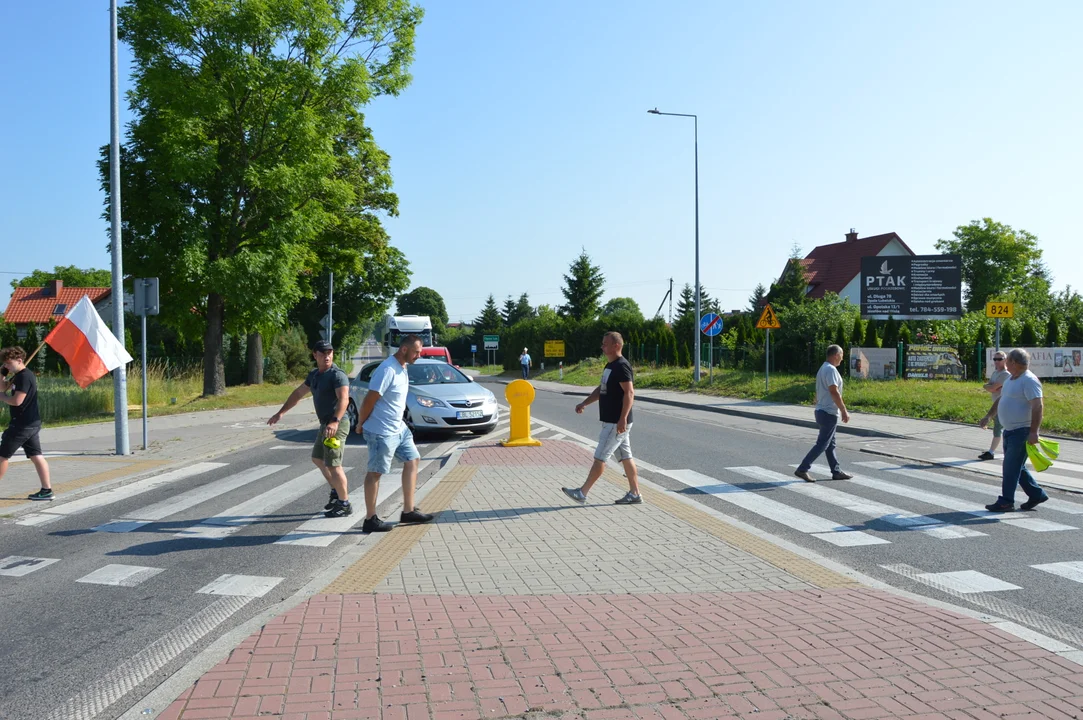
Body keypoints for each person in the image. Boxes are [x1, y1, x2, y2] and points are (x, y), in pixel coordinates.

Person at [354, 335, 435, 532]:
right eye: (416, 352)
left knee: (413, 460)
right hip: (382, 431)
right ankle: (370, 519)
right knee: (375, 472)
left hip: (399, 428)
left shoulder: (403, 367)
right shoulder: (387, 370)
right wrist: (360, 423)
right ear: (404, 349)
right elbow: (369, 400)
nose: (419, 356)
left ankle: (408, 511)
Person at [268, 340, 353, 517]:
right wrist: (281, 413)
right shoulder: (315, 375)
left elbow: (344, 399)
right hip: (325, 424)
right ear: (315, 355)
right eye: (322, 353)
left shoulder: (337, 375)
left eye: (329, 352)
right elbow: (298, 393)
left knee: (334, 464)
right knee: (317, 458)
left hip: (336, 425)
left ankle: (344, 504)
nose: (327, 356)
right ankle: (336, 491)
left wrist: (335, 421)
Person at [561, 332, 642, 505]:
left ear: (616, 346)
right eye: (602, 343)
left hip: (616, 422)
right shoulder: (610, 366)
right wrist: (584, 403)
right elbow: (602, 389)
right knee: (625, 457)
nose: (602, 347)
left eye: (605, 344)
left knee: (600, 457)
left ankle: (582, 493)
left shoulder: (622, 366)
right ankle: (635, 494)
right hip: (615, 421)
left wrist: (623, 418)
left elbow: (629, 393)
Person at [980, 348, 1048, 512]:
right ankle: (1036, 494)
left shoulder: (1029, 380)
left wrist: (1034, 432)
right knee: (1017, 467)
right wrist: (989, 416)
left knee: (1010, 467)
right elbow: (1002, 399)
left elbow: (1038, 406)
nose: (1004, 363)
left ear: (1014, 363)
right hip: (1010, 431)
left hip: (1022, 431)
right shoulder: (1011, 379)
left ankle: (1006, 501)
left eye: (1007, 360)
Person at [794, 345, 854, 483]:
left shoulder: (823, 368)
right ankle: (803, 469)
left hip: (822, 410)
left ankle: (836, 471)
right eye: (842, 354)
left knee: (830, 444)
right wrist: (844, 410)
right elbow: (834, 391)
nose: (842, 358)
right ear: (835, 355)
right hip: (828, 412)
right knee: (822, 444)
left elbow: (822, 390)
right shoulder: (830, 369)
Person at [0, 346, 52, 500]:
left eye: (9, 363)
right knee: (36, 455)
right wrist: (2, 374)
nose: (7, 366)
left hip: (22, 424)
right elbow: (2, 388)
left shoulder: (24, 377)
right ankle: (47, 490)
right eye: (5, 364)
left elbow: (16, 401)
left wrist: (1, 397)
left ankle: (47, 490)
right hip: (30, 423)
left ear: (19, 360)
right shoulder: (18, 375)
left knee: (2, 456)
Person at [978, 351, 1010, 460]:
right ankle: (1003, 451)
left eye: (999, 359)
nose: (997, 361)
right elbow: (989, 386)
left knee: (999, 428)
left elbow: (991, 388)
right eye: (995, 359)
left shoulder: (1006, 374)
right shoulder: (995, 373)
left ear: (1005, 360)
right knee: (1001, 428)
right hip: (996, 404)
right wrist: (989, 386)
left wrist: (990, 387)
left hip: (1004, 405)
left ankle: (991, 452)